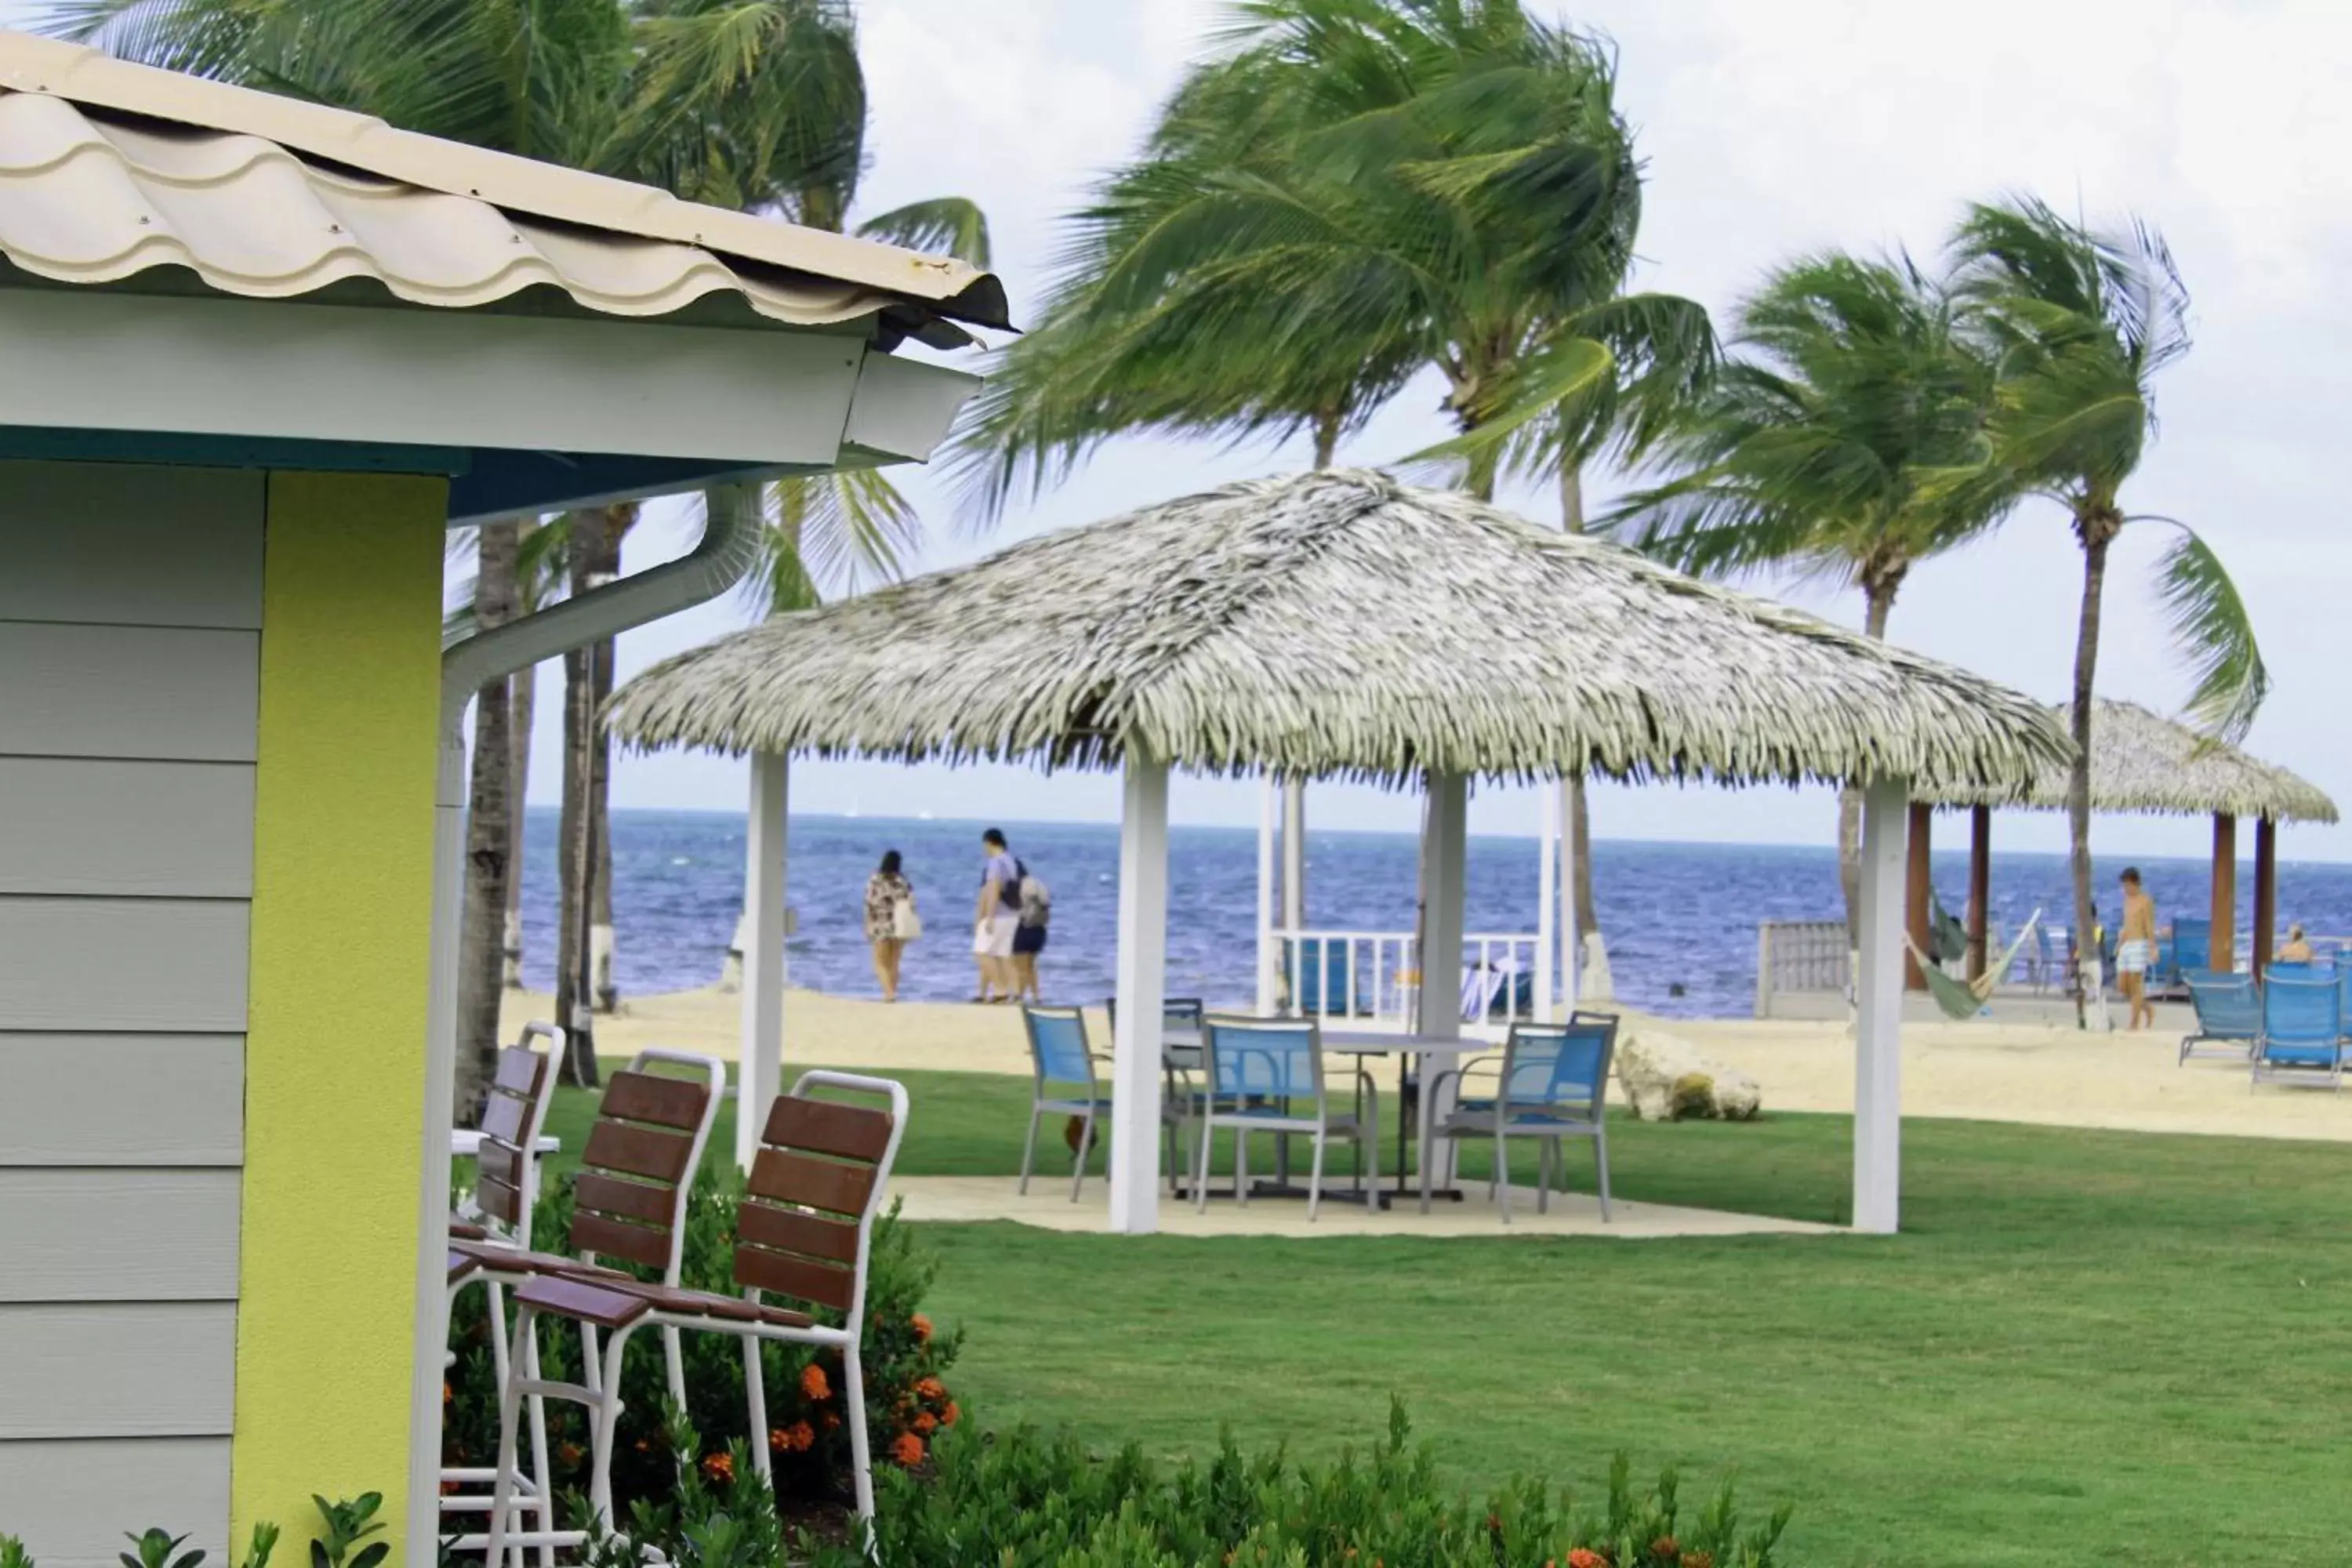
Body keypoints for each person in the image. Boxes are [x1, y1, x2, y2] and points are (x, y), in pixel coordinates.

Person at [971, 828, 1022, 1003]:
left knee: (981, 952)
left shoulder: (995, 863)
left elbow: (993, 888)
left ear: (989, 843)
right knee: (1003, 955)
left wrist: (989, 915)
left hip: (999, 914)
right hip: (1012, 914)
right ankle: (1016, 993)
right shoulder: (1011, 862)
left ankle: (1000, 990)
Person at [862, 850, 916, 1003]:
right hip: (899, 924)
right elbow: (911, 903)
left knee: (879, 962)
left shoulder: (875, 880)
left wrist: (867, 924)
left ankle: (889, 994)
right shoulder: (903, 881)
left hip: (880, 923)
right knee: (894, 962)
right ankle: (892, 992)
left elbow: (869, 904)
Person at [2116, 867, 2157, 1032]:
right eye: (2124, 886)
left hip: (2140, 944)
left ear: (2135, 883)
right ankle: (2147, 1008)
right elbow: (2126, 925)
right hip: (2126, 944)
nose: (2125, 889)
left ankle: (2134, 1023)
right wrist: (2119, 945)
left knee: (2136, 984)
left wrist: (2153, 948)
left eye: (2127, 885)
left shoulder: (2145, 901)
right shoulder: (2126, 901)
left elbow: (2149, 925)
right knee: (2123, 986)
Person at [1011, 856, 1052, 1004]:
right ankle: (1036, 996)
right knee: (1030, 966)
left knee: (1019, 964)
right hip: (1040, 929)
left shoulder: (1020, 886)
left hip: (1025, 926)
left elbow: (1016, 907)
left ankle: (1019, 996)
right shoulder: (1037, 883)